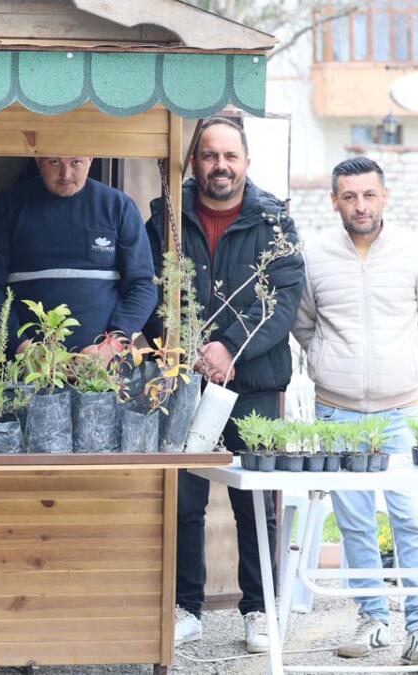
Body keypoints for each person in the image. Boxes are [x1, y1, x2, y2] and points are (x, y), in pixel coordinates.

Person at [145, 117, 304, 653]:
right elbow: (149, 288)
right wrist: (185, 350)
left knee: (255, 501)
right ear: (194, 162)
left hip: (254, 382)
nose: (220, 166)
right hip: (185, 382)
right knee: (184, 498)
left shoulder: (274, 220)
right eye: (210, 155)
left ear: (246, 163)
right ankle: (186, 607)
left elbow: (282, 302)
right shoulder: (167, 216)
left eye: (230, 156)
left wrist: (229, 346)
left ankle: (260, 610)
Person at [293, 156, 418, 667]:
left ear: (384, 197)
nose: (360, 205)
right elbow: (304, 323)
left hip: (403, 410)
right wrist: (329, 366)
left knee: (410, 517)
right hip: (336, 412)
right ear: (334, 200)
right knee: (355, 522)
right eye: (349, 196)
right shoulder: (314, 256)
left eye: (368, 195)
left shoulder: (416, 251)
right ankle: (373, 618)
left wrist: (405, 374)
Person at [0, 156, 157, 359]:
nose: (65, 174)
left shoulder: (117, 206)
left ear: (90, 157)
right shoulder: (7, 207)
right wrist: (22, 349)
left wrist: (110, 347)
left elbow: (143, 286)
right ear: (38, 158)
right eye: (54, 162)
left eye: (75, 162)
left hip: (105, 369)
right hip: (22, 370)